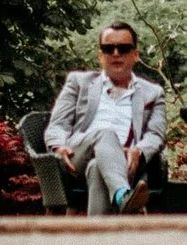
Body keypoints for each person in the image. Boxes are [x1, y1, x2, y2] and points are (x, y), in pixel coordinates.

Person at [44, 21, 168, 214]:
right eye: (109, 49)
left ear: (136, 55)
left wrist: (139, 150)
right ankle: (123, 194)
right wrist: (58, 146)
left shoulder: (153, 93)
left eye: (124, 48)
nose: (116, 54)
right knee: (105, 133)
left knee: (97, 168)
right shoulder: (79, 82)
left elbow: (156, 135)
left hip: (125, 163)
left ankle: (101, 239)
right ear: (100, 56)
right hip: (77, 158)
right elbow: (57, 125)